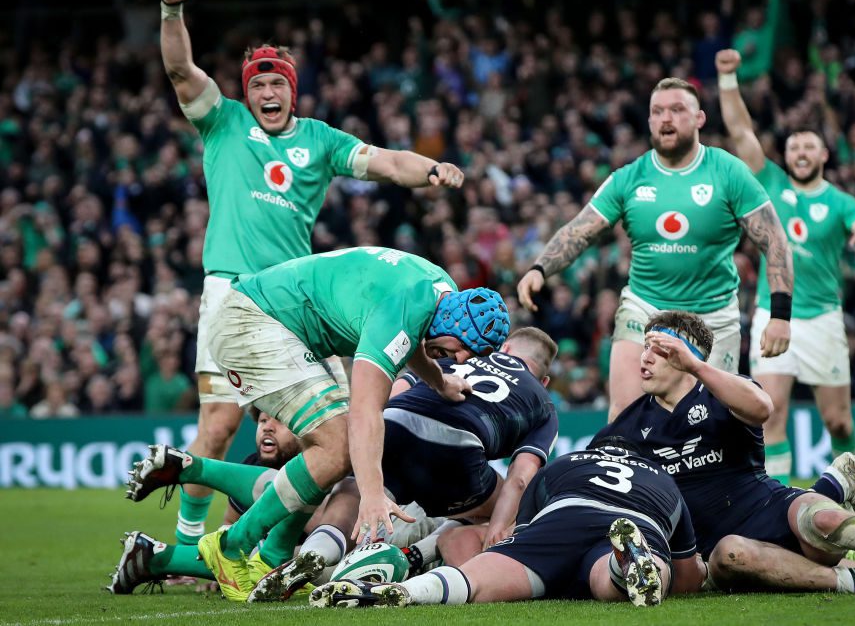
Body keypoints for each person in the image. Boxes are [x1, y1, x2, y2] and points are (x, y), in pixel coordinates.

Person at [158, 0, 465, 547]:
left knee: (326, 435)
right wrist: (171, 13)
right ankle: (186, 543)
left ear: (292, 91)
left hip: (300, 306)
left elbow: (385, 163)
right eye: (257, 87)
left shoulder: (319, 140)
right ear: (245, 93)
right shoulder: (223, 124)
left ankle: (273, 539)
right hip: (231, 293)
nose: (267, 95)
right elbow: (180, 70)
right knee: (221, 425)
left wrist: (429, 169)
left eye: (277, 86)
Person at [128, 246, 509, 600]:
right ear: (451, 321)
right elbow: (365, 410)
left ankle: (269, 553)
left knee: (327, 450)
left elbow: (415, 343)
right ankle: (230, 546)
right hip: (255, 324)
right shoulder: (401, 313)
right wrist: (373, 496)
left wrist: (439, 382)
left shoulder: (439, 293)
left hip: (278, 325)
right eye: (459, 349)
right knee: (339, 443)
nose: (457, 358)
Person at [594, 310, 855, 593]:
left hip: (770, 509)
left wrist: (697, 368)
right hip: (720, 548)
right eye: (644, 348)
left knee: (824, 522)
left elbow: (763, 408)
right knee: (732, 555)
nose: (644, 357)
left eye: (658, 349)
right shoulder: (628, 426)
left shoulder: (722, 393)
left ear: (686, 355)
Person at [517, 77, 793, 422]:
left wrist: (781, 314)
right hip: (645, 307)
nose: (666, 118)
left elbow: (774, 239)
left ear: (699, 119)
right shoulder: (629, 177)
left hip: (713, 316)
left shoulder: (728, 172)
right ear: (648, 121)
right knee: (625, 415)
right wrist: (539, 268)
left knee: (717, 425)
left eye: (677, 109)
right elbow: (580, 229)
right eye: (657, 111)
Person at [247, 327, 560, 601]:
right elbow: (521, 478)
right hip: (456, 450)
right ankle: (411, 559)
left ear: (504, 348)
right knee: (509, 507)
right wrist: (496, 529)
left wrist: (375, 443)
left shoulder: (462, 357)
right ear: (544, 379)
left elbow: (397, 390)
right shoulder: (543, 402)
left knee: (356, 490)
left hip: (394, 420)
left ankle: (318, 551)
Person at [308, 437, 705, 609]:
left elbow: (523, 530)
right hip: (637, 519)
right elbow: (688, 576)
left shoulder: (569, 462)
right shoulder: (664, 481)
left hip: (563, 514)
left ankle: (409, 591)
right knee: (609, 581)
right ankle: (628, 565)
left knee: (476, 580)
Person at [716, 48, 855, 484]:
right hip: (772, 313)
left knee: (838, 421)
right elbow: (741, 131)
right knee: (770, 414)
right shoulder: (772, 182)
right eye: (794, 145)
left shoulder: (840, 202)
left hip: (822, 318)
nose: (800, 151)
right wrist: (728, 79)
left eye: (809, 146)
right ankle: (775, 502)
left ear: (823, 156)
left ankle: (853, 488)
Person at [109, 409, 306, 594]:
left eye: (280, 421)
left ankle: (155, 557)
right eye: (262, 420)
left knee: (309, 558)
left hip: (300, 549)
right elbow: (230, 523)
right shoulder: (252, 464)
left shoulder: (323, 472)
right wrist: (224, 570)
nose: (267, 427)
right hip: (278, 556)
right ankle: (158, 557)